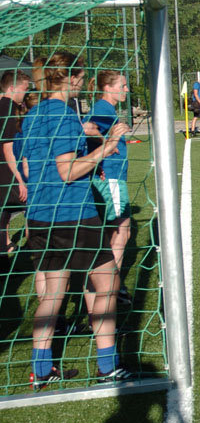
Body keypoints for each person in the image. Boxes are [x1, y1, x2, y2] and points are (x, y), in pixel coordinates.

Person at [21, 51, 132, 387]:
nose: (83, 84)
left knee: (53, 294)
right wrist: (106, 146)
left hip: (39, 216)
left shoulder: (32, 115)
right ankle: (107, 366)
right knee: (108, 284)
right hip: (73, 214)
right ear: (71, 78)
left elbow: (27, 166)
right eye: (82, 78)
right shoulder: (65, 115)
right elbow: (67, 171)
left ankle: (41, 370)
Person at [84, 71, 132, 304]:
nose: (126, 90)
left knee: (112, 233)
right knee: (121, 232)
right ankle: (112, 287)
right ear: (108, 87)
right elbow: (86, 128)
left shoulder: (107, 109)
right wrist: (107, 143)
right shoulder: (103, 108)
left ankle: (106, 285)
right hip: (111, 178)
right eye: (122, 86)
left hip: (110, 177)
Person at [0, 70, 31, 256]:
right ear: (12, 88)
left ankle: (6, 248)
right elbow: (8, 147)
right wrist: (20, 179)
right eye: (24, 89)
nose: (26, 94)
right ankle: (34, 246)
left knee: (3, 213)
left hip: (3, 172)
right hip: (9, 172)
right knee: (31, 205)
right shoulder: (9, 108)